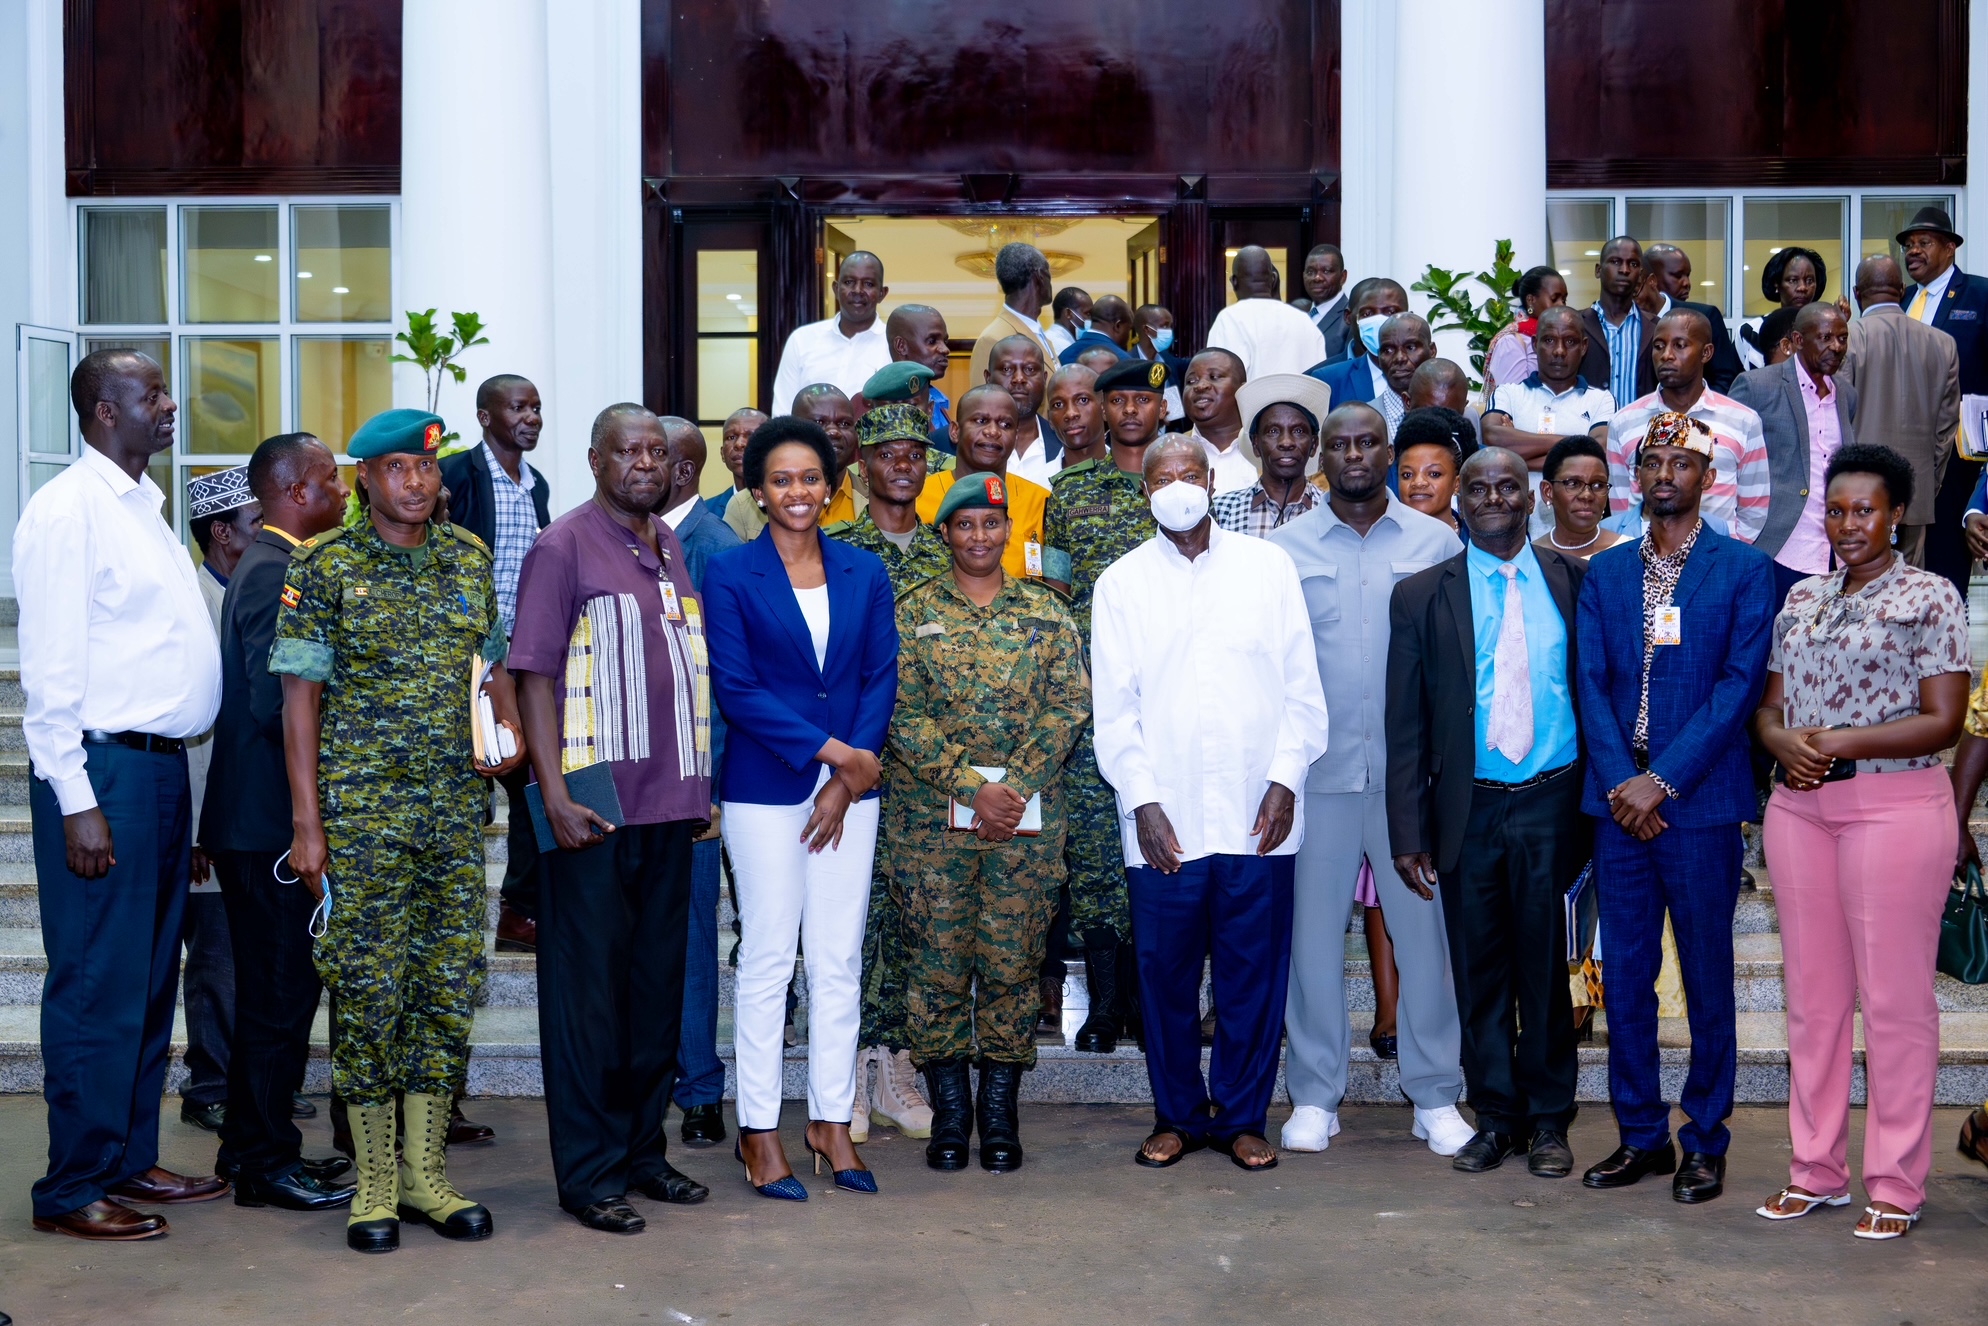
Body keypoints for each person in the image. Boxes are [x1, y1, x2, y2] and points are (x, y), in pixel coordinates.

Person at [271, 407, 525, 1252]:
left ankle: (425, 1175)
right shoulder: (326, 569)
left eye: (427, 470)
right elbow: (298, 701)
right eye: (398, 470)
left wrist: (506, 737)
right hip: (363, 821)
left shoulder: (468, 561)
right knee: (371, 993)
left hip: (455, 819)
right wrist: (308, 825)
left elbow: (488, 675)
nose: (417, 484)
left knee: (445, 990)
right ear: (364, 482)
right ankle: (374, 1181)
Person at [16, 348, 226, 1241]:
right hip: (104, 773)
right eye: (152, 395)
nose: (171, 405)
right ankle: (73, 1185)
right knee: (97, 983)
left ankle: (127, 1156)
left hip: (160, 769)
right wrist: (75, 797)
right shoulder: (69, 513)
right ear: (105, 411)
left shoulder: (142, 507)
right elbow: (52, 672)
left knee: (145, 983)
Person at [1092, 434, 1328, 1172]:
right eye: (1161, 478)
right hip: (1165, 818)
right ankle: (1177, 1116)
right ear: (1145, 493)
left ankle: (1243, 1117)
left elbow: (1301, 687)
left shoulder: (1269, 566)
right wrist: (1143, 801)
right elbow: (1115, 709)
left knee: (1251, 975)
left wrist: (1287, 777)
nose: (1176, 487)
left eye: (1188, 473)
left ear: (1212, 479)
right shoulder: (1121, 583)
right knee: (1163, 976)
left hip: (1259, 812)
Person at [1753, 443, 1969, 1241]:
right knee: (1812, 1005)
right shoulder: (1802, 597)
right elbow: (1770, 707)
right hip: (1799, 810)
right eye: (1836, 510)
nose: (1848, 524)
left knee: (1894, 1006)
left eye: (1865, 510)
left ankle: (1897, 1182)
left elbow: (1943, 718)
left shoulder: (1930, 595)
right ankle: (1816, 1171)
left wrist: (1832, 741)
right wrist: (1780, 744)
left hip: (1895, 807)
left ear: (1896, 514)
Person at [507, 405, 714, 1235]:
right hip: (593, 806)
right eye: (628, 452)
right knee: (588, 997)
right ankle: (589, 1174)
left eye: (656, 453)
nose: (644, 464)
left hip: (671, 807)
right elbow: (533, 675)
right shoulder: (564, 545)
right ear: (596, 460)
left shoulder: (667, 545)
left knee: (653, 990)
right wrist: (553, 792)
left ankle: (641, 1152)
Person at [1574, 410, 1776, 1204]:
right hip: (1619, 806)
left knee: (1706, 973)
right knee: (1624, 976)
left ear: (1708, 478)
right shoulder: (1609, 573)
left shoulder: (1741, 570)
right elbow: (1589, 683)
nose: (1665, 473)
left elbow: (1739, 687)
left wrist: (1668, 779)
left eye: (1681, 463)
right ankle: (1641, 1136)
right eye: (1653, 461)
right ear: (1637, 477)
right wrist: (1627, 780)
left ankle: (1706, 1137)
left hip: (1698, 805)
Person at [701, 417, 898, 1201]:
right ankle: (757, 1130)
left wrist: (849, 779)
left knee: (839, 961)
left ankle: (829, 1121)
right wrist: (834, 757)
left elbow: (879, 676)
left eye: (810, 478)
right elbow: (738, 689)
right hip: (764, 787)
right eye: (780, 480)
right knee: (769, 961)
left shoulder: (863, 570)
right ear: (757, 489)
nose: (797, 492)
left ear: (830, 486)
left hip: (851, 794)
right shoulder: (730, 572)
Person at [1270, 402, 1470, 1157]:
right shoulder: (1283, 552)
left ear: (1389, 452)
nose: (1355, 454)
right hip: (1314, 780)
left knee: (1424, 942)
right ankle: (1316, 1095)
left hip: (1408, 785)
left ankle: (1436, 1096)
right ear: (1323, 456)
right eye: (1340, 444)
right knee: (1312, 945)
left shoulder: (1436, 542)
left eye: (1368, 442)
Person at [1386, 447, 1588, 1178]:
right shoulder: (1420, 595)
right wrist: (1408, 830)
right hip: (1466, 809)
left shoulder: (1577, 583)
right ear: (1460, 503)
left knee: (1545, 971)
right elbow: (1404, 723)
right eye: (1479, 489)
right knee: (1479, 974)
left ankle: (1549, 1121)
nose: (1494, 499)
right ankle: (1495, 1116)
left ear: (1532, 498)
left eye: (1509, 486)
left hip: (1553, 801)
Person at [888, 472, 1088, 1172]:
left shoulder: (1047, 612)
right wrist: (975, 789)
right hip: (932, 828)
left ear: (1009, 531)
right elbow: (900, 714)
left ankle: (998, 1113)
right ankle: (951, 1116)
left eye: (990, 525)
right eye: (964, 525)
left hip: (1025, 831)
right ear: (944, 533)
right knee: (937, 966)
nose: (979, 537)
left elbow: (1068, 706)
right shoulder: (911, 613)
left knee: (1012, 962)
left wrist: (1016, 787)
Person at [202, 434, 356, 1210]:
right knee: (279, 998)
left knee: (278, 994)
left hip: (259, 818)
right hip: (268, 823)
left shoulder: (268, 563)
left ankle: (249, 1148)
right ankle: (265, 1165)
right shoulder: (280, 573)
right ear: (296, 491)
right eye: (332, 480)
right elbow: (275, 706)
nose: (345, 491)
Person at [826, 361, 949, 1142]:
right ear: (860, 465)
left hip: (929, 780)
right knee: (845, 925)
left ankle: (897, 1062)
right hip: (850, 771)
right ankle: (847, 1071)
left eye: (913, 453)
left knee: (913, 924)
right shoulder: (831, 549)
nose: (900, 463)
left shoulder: (956, 552)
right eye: (885, 453)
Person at [1040, 356, 1167, 1054]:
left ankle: (1154, 1003)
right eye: (1116, 402)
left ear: (1159, 410)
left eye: (1142, 402)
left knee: (1164, 850)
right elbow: (1055, 599)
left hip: (1171, 701)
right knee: (1093, 855)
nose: (1128, 413)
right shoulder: (1071, 494)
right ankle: (1106, 1003)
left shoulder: (1181, 486)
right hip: (1095, 701)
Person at [651, 417, 744, 1152]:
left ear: (682, 470)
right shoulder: (615, 536)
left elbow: (728, 679)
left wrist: (709, 785)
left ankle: (700, 1089)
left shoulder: (715, 548)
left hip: (690, 784)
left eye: (652, 457)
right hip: (625, 777)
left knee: (689, 940)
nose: (638, 468)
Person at [441, 374, 553, 956]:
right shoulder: (458, 474)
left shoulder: (538, 486)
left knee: (532, 780)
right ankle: (474, 919)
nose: (531, 417)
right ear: (486, 416)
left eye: (536, 408)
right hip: (470, 665)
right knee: (486, 783)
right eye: (518, 407)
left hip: (524, 662)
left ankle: (518, 910)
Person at [179, 467, 261, 1135]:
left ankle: (248, 1084)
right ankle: (209, 1085)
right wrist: (200, 830)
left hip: (245, 817)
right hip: (209, 821)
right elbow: (197, 731)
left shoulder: (254, 592)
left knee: (250, 958)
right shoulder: (196, 603)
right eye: (255, 524)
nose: (266, 534)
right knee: (215, 962)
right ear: (221, 534)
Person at [1605, 308, 1770, 545]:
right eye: (1659, 346)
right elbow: (1622, 508)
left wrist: (1727, 552)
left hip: (1717, 560)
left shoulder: (1743, 420)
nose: (1666, 355)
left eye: (1679, 345)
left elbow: (1754, 508)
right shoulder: (1624, 422)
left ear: (1706, 353)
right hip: (1642, 560)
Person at [1729, 302, 1858, 597]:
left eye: (1842, 338)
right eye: (1826, 338)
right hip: (1776, 544)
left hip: (1833, 551)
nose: (1836, 347)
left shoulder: (1846, 395)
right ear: (1798, 341)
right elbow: (1727, 465)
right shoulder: (1756, 386)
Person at [1841, 255, 1958, 570]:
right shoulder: (1943, 344)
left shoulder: (1847, 340)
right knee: (1909, 589)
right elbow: (1946, 430)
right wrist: (1927, 484)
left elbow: (1837, 419)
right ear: (1903, 290)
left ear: (1856, 292)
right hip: (1916, 491)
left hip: (1857, 494)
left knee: (1859, 583)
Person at [1897, 206, 1988, 599]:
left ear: (1950, 248)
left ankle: (1949, 631)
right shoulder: (1901, 301)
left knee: (1949, 549)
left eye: (1924, 243)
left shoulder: (1980, 294)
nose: (1913, 251)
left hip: (1959, 448)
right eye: (1909, 245)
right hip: (1906, 446)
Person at [915, 385, 1050, 580]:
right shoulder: (919, 497)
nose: (993, 431)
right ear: (954, 431)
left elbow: (1056, 585)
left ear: (1016, 436)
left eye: (1006, 425)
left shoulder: (1041, 501)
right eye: (981, 421)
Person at [1481, 306, 1614, 478]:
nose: (1559, 351)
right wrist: (1581, 443)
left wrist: (1517, 457)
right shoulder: (1507, 394)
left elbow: (1599, 452)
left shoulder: (1601, 399)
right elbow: (1491, 437)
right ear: (1536, 344)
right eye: (1550, 340)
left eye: (1570, 341)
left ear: (1583, 347)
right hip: (1519, 505)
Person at [724, 384, 865, 542]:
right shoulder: (743, 506)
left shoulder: (873, 499)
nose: (834, 432)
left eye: (845, 424)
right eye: (819, 422)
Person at [770, 251, 892, 414]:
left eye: (868, 284)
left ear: (882, 293)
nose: (858, 290)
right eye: (849, 282)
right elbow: (783, 413)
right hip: (809, 440)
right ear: (836, 288)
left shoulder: (894, 346)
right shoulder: (802, 340)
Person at [1210, 374, 1327, 536]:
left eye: (1298, 431)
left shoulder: (1332, 511)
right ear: (1255, 444)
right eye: (1273, 431)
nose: (1286, 442)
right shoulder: (1221, 511)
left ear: (1314, 445)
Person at [1205, 246, 1327, 379]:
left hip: (1251, 400)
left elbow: (1220, 378)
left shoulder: (1230, 319)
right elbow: (1321, 378)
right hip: (1304, 400)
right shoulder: (1304, 321)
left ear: (1234, 281)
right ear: (1273, 279)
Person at [1580, 236, 1665, 412]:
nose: (1625, 270)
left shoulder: (1658, 328)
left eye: (1633, 264)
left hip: (1640, 433)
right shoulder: (1577, 325)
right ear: (1598, 270)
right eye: (1615, 261)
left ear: (1641, 275)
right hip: (1587, 433)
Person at [1641, 246, 1743, 391]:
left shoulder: (1706, 316)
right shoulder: (1631, 321)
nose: (1686, 283)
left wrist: (1696, 410)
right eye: (1677, 276)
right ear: (1651, 279)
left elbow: (1725, 379)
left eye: (1687, 275)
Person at [1311, 277, 1410, 403]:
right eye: (1368, 314)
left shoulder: (1427, 375)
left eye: (1391, 312)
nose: (1379, 321)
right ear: (1348, 317)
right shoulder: (1324, 379)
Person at [970, 243, 1059, 380]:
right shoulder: (994, 339)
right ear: (1040, 276)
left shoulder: (1041, 335)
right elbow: (983, 400)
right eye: (1049, 275)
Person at [1536, 435, 1628, 559]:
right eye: (1573, 484)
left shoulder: (1629, 553)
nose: (1587, 495)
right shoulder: (1531, 559)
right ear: (1548, 492)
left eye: (1598, 485)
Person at [987, 335, 1064, 485]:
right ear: (988, 378)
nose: (1019, 378)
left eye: (1029, 369)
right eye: (1007, 369)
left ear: (1044, 379)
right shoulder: (953, 445)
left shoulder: (1066, 443)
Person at [1483, 266, 1568, 398]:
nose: (1561, 305)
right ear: (1531, 300)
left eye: (1564, 300)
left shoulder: (1562, 340)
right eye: (1554, 299)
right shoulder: (1511, 341)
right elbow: (1514, 400)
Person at [1738, 246, 1826, 372]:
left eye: (1809, 280)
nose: (1802, 287)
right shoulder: (1749, 332)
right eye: (1793, 280)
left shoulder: (1826, 330)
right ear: (1777, 285)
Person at [1181, 349, 1257, 494]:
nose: (1200, 386)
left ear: (1242, 389)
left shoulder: (1268, 449)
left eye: (1214, 377)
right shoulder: (1168, 451)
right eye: (1191, 381)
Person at [886, 304, 955, 450]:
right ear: (901, 346)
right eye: (932, 341)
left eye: (945, 341)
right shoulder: (876, 404)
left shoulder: (937, 401)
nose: (945, 349)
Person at [1394, 411, 1467, 537]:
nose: (1418, 482)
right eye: (1407, 475)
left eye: (1434, 474)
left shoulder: (1476, 541)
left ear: (1456, 484)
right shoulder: (1382, 541)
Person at [1367, 313, 1437, 438]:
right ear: (1378, 357)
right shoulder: (1362, 419)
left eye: (1411, 347)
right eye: (1388, 350)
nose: (1400, 358)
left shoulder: (1459, 414)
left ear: (1432, 351)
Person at [1131, 303, 1189, 424]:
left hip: (1171, 434)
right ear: (1147, 329)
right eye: (1164, 326)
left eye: (1170, 326)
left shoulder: (1167, 359)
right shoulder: (1127, 362)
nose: (1169, 331)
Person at [1044, 364, 1108, 469]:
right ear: (1050, 419)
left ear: (1104, 407)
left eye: (1083, 400)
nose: (1070, 413)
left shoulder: (1135, 475)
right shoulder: (1033, 483)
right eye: (1058, 404)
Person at [711, 408, 768, 521]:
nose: (739, 444)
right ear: (722, 453)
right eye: (731, 437)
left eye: (751, 436)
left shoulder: (784, 506)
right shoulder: (708, 510)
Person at [1302, 244, 1351, 360]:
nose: (1317, 277)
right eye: (1310, 272)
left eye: (1327, 271)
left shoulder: (1350, 318)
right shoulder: (1298, 316)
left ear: (1343, 277)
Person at [1057, 292, 1134, 366]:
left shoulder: (1063, 356)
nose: (1129, 337)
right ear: (1118, 326)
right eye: (1129, 330)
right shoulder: (1124, 362)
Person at [1045, 286, 1092, 358]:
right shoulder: (1061, 346)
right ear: (1068, 313)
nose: (1091, 319)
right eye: (1087, 313)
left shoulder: (1050, 337)